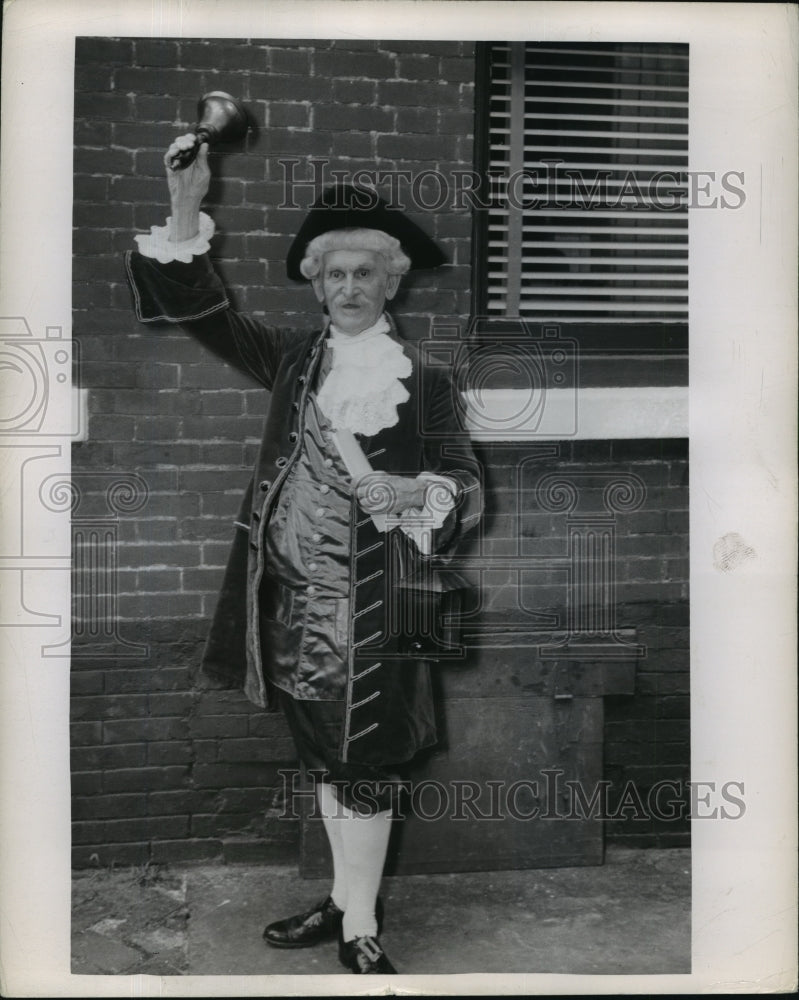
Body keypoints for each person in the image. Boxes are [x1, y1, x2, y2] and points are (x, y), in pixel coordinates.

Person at [125, 134, 482, 974]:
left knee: (366, 756)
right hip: (287, 602)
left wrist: (415, 493)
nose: (348, 288)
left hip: (377, 603)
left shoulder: (424, 379)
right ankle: (344, 900)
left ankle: (360, 921)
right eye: (333, 275)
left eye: (364, 273)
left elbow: (462, 479)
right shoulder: (291, 357)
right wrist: (186, 205)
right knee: (328, 754)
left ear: (390, 282)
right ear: (316, 285)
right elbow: (202, 310)